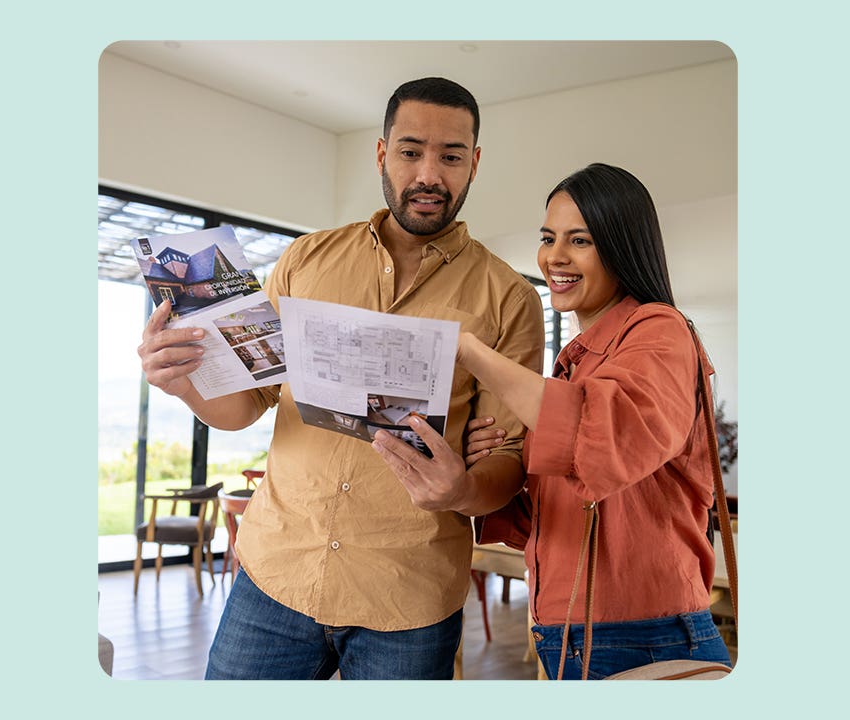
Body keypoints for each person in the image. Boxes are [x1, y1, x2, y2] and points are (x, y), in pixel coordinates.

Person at [136, 77, 544, 680]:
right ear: (382, 154)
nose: (429, 173)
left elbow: (508, 464)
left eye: (451, 156)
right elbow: (248, 403)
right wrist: (185, 384)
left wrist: (460, 489)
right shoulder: (305, 260)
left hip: (409, 595)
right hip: (276, 576)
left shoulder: (510, 299)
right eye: (411, 151)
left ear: (474, 164)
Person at [389, 162, 732, 679]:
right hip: (572, 634)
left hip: (643, 638)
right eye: (548, 237)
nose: (555, 257)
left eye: (581, 240)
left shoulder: (660, 331)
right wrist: (500, 461)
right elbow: (562, 515)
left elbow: (602, 439)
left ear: (621, 246)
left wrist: (471, 351)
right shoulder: (578, 361)